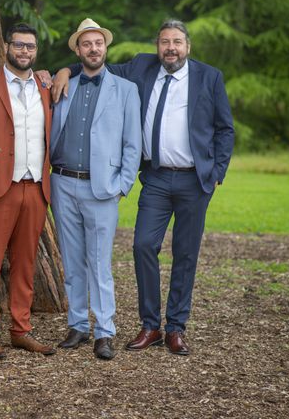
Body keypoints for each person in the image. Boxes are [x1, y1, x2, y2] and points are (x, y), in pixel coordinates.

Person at [53, 19, 234, 355]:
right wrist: (64, 69)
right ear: (157, 45)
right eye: (164, 41)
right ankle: (150, 324)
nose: (170, 48)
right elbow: (95, 64)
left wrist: (218, 170)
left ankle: (175, 327)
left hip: (195, 180)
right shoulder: (141, 67)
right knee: (142, 246)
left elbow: (225, 129)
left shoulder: (209, 77)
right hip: (156, 177)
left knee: (185, 253)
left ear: (187, 46)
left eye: (177, 42)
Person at [50, 18, 141, 360]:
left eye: (98, 43)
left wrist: (123, 185)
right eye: (86, 44)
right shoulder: (63, 86)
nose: (93, 49)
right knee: (72, 262)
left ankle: (104, 330)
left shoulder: (126, 90)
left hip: (102, 189)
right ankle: (77, 325)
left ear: (106, 47)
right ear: (77, 50)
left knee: (99, 263)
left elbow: (134, 143)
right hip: (62, 183)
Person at [0, 23, 56, 358]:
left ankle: (21, 329)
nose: (24, 51)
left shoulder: (45, 84)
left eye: (30, 47)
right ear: (6, 46)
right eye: (19, 45)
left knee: (25, 263)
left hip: (35, 185)